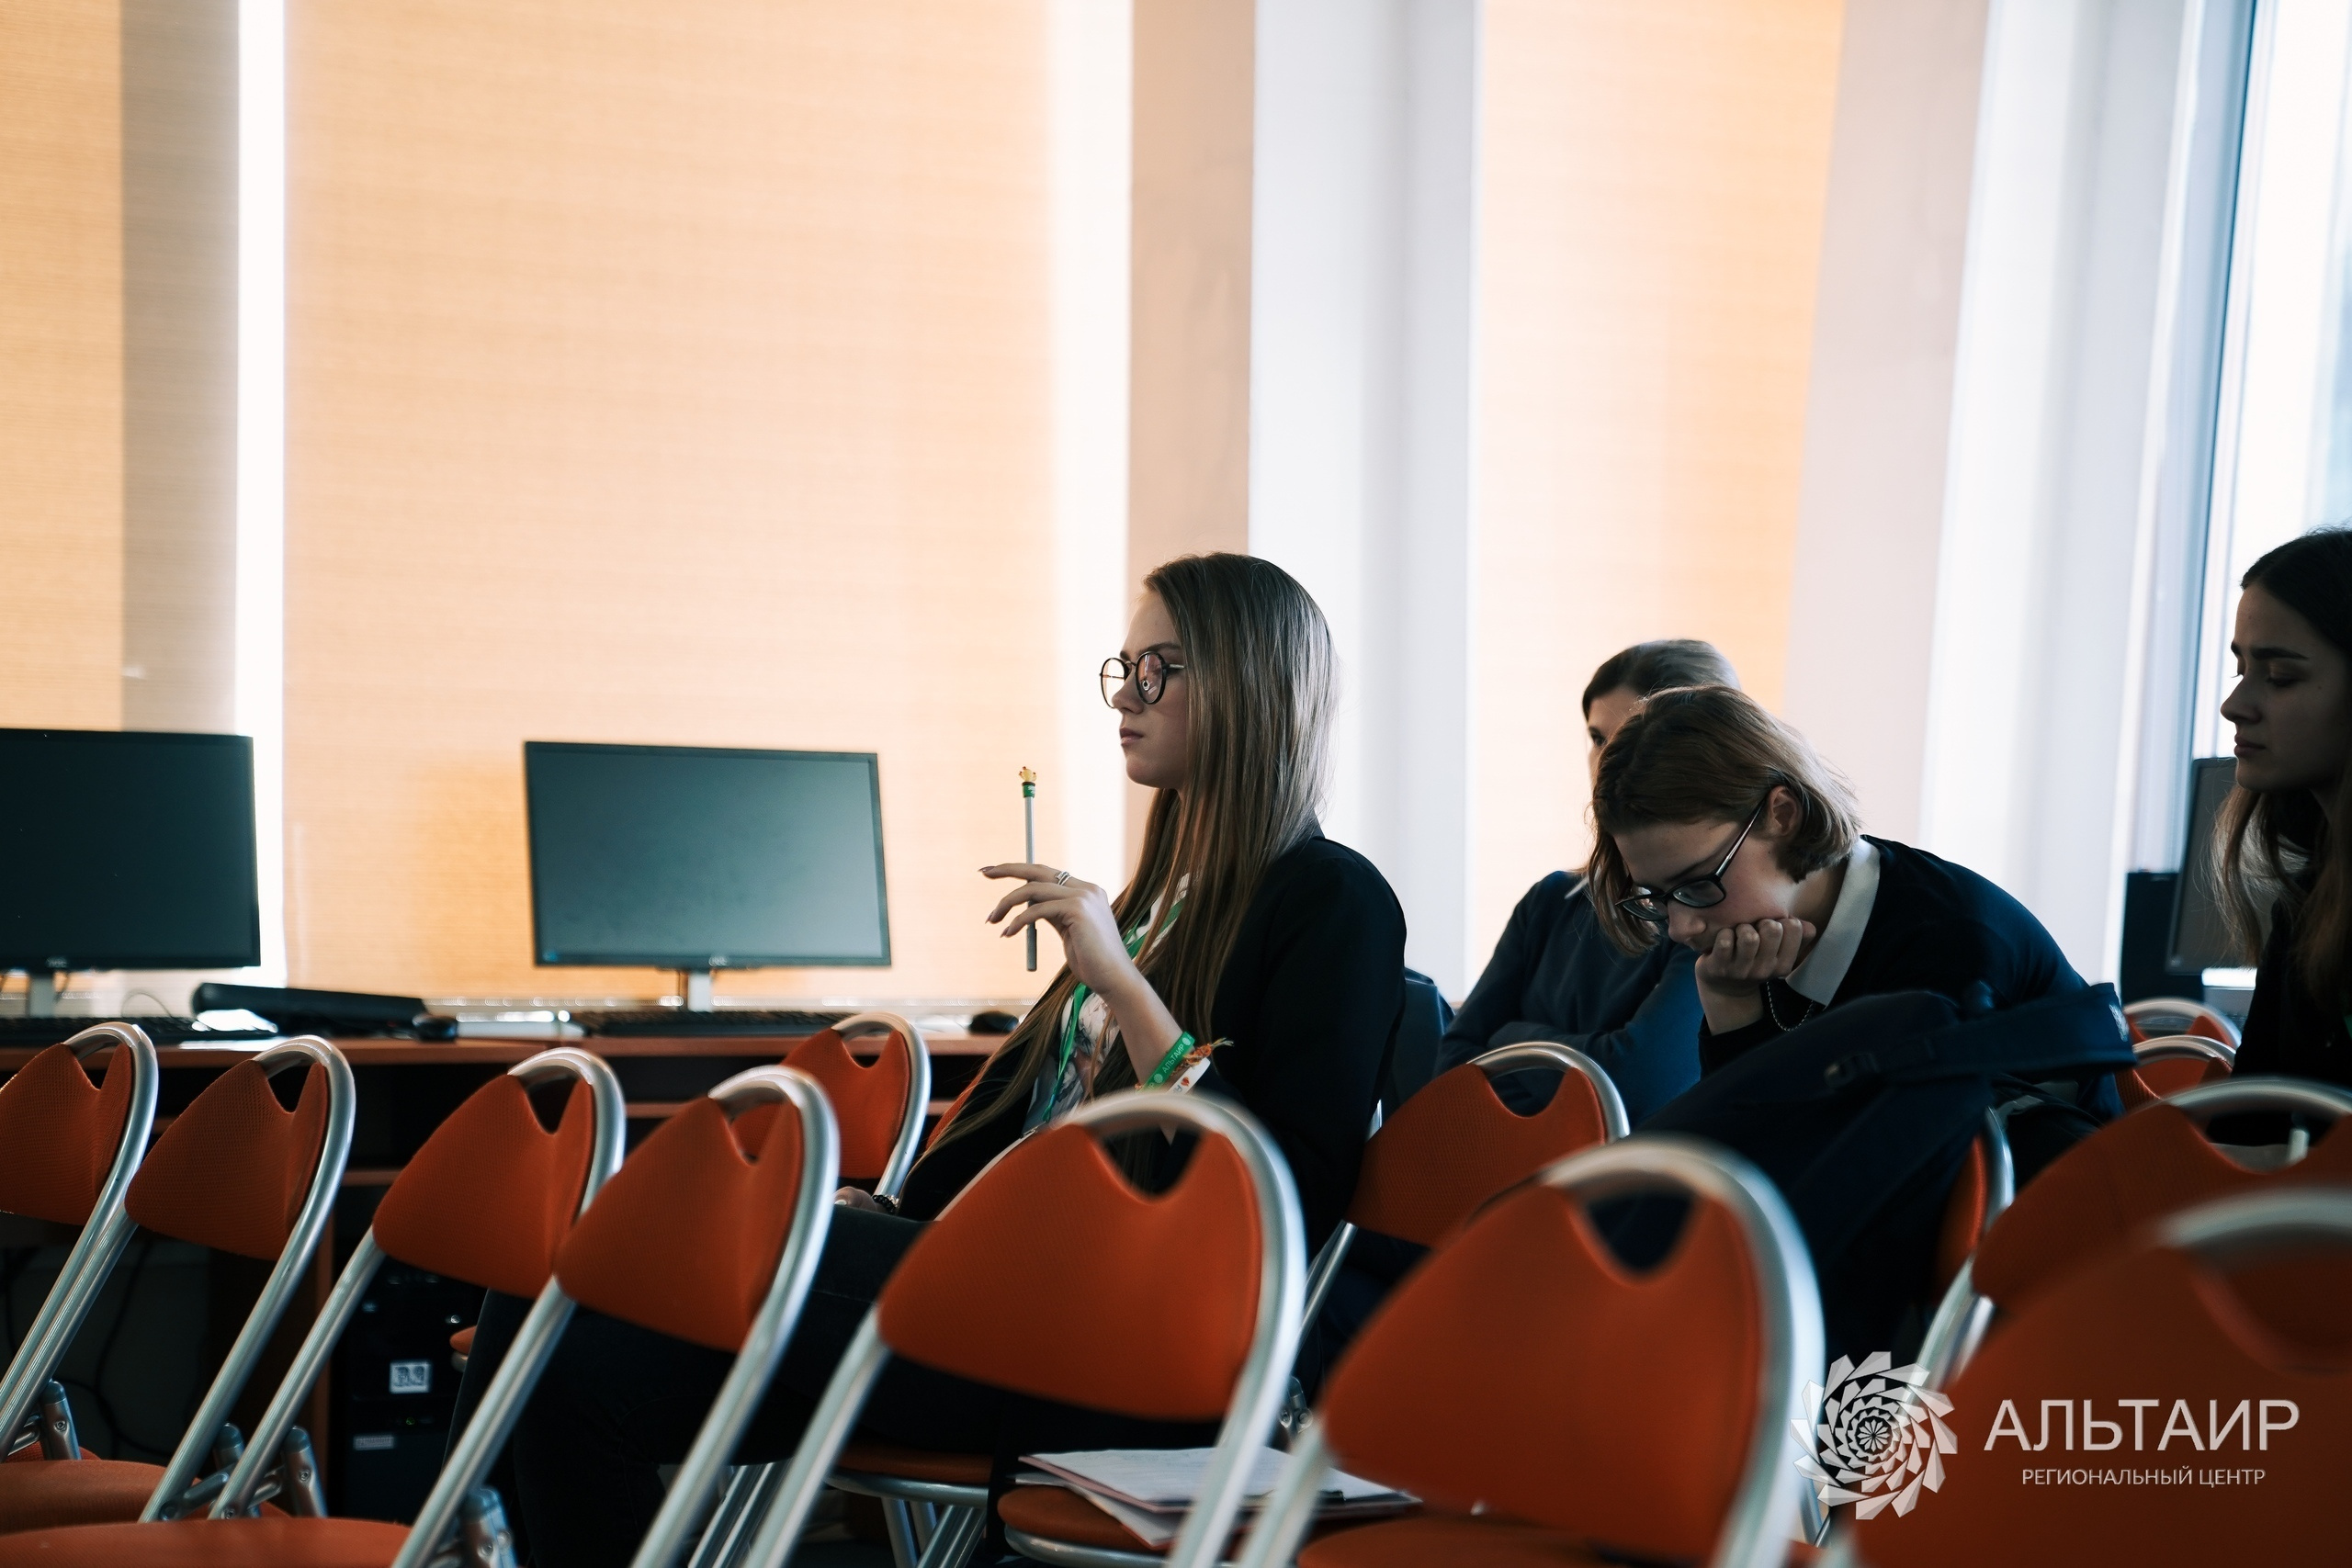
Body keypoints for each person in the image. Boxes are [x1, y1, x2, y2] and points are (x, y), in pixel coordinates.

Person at [462, 553, 1407, 1568]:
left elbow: (1287, 1198)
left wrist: (1125, 989)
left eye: (1160, 670)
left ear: (1252, 686)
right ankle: (471, 1524)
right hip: (973, 1286)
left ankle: (461, 1526)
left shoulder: (1334, 903)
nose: (1127, 699)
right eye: (1123, 669)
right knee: (566, 1345)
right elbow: (1026, 1123)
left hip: (1099, 1329)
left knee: (644, 1223)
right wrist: (897, 1209)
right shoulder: (1155, 897)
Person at [1585, 684, 2088, 1075]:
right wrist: (1730, 1007)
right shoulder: (1760, 941)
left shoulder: (1942, 945)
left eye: (1696, 883)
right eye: (1657, 897)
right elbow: (1751, 1161)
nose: (1679, 928)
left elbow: (1830, 1178)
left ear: (1781, 815)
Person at [1437, 638, 1736, 1122]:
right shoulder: (1551, 901)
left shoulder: (1705, 916)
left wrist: (1507, 1040)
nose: (1608, 764)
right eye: (1598, 738)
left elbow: (1636, 1084)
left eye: (1634, 739)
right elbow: (1452, 1065)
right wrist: (1590, 1057)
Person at [2215, 527, 2352, 1087]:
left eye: (2279, 677)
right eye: (2241, 670)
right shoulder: (2304, 909)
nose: (2233, 706)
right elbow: (2249, 1131)